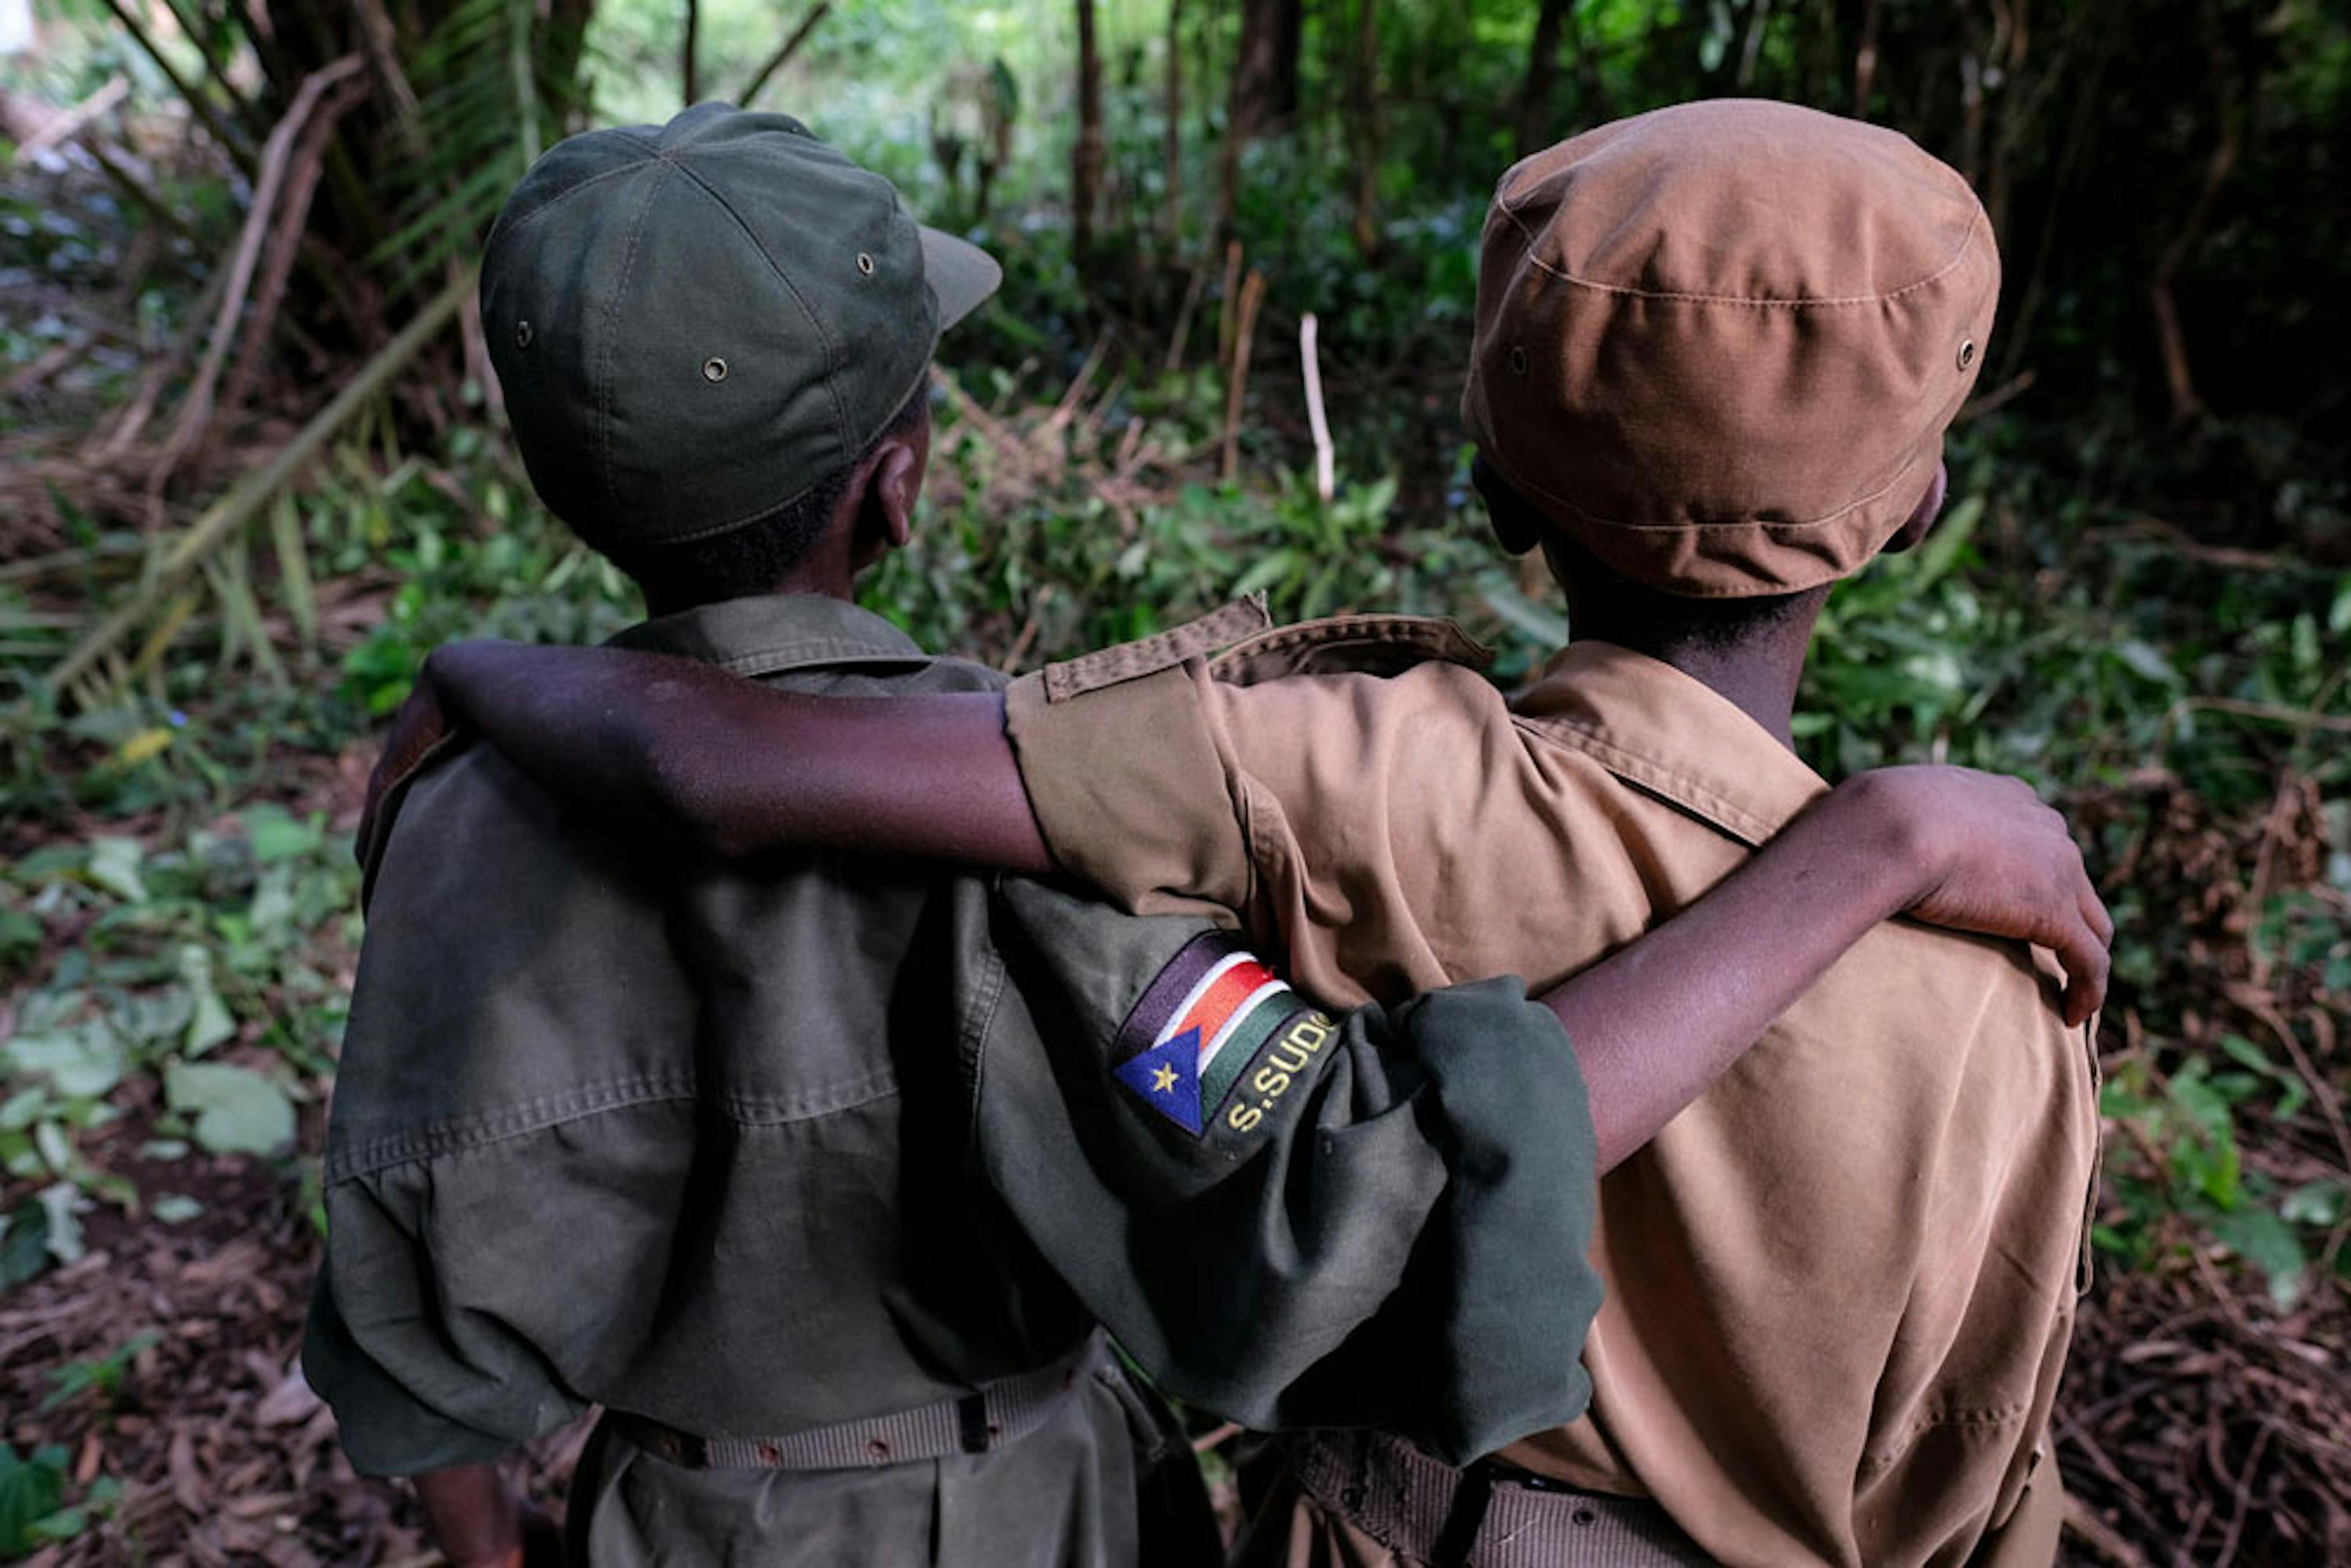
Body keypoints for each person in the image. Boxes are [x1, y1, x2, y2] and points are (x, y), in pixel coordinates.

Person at [310, 104, 2107, 1568]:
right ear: (903, 473)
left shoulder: (455, 824)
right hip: (1017, 1507)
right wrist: (1866, 848)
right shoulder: (1052, 851)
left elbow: (414, 1309)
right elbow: (1332, 1188)